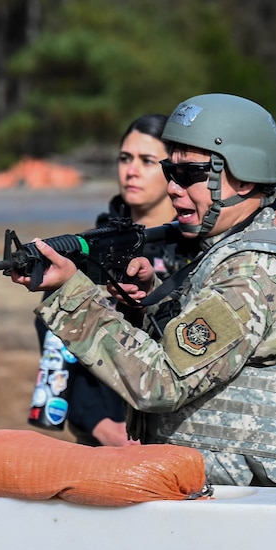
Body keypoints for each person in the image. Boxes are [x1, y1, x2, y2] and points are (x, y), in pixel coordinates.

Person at [15, 93, 276, 487]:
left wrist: (70, 294)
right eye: (170, 172)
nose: (173, 189)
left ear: (244, 176)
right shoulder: (272, 232)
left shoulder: (253, 271)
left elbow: (161, 382)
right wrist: (150, 303)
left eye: (190, 175)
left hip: (249, 501)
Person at [33, 113, 173, 445]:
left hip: (172, 437)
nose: (131, 171)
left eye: (147, 160)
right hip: (102, 439)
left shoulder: (194, 248)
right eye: (125, 158)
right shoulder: (88, 247)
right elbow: (58, 344)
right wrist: (98, 425)